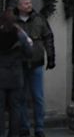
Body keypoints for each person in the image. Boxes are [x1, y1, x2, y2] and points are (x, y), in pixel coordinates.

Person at [13, 0, 54, 137]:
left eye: (29, 2)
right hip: (20, 63)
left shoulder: (39, 19)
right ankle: (24, 127)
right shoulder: (14, 21)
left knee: (38, 97)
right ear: (19, 6)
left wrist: (51, 56)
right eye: (25, 3)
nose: (29, 5)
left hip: (36, 62)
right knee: (21, 97)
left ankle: (39, 128)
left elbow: (48, 37)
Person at [0, 9, 32, 137]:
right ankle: (14, 134)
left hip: (1, 76)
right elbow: (29, 52)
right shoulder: (20, 35)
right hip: (16, 76)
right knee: (16, 107)